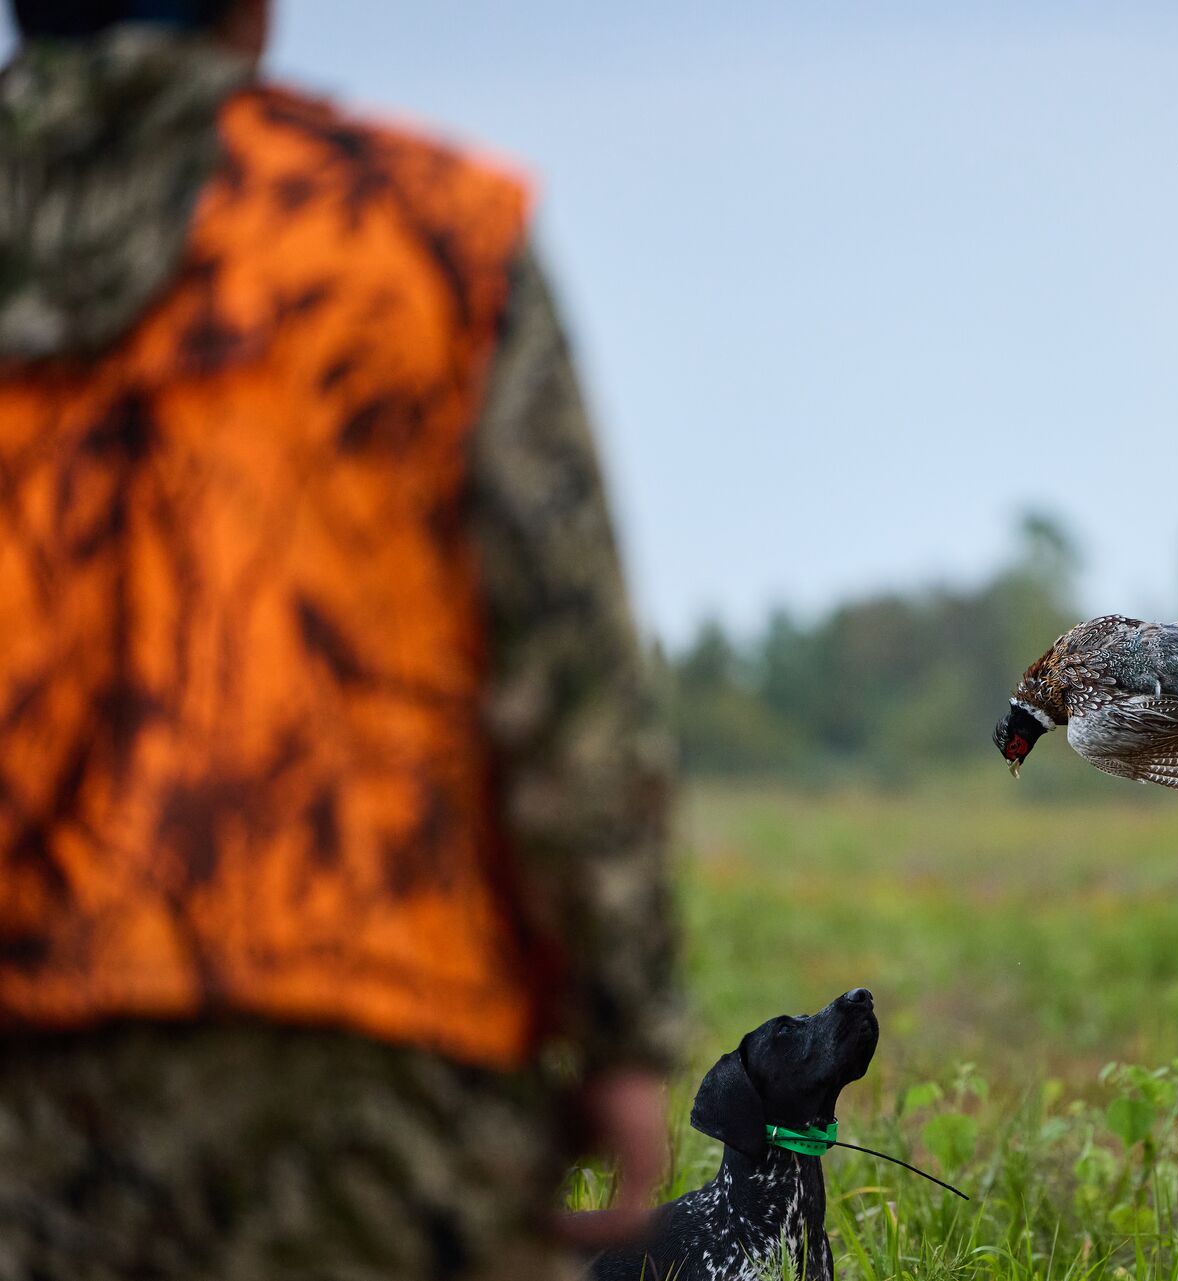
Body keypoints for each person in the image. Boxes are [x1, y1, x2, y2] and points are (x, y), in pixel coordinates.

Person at [0, 2, 679, 1277]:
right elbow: (562, 675)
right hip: (376, 1039)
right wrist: (620, 1024)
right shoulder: (422, 231)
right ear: (250, 12)